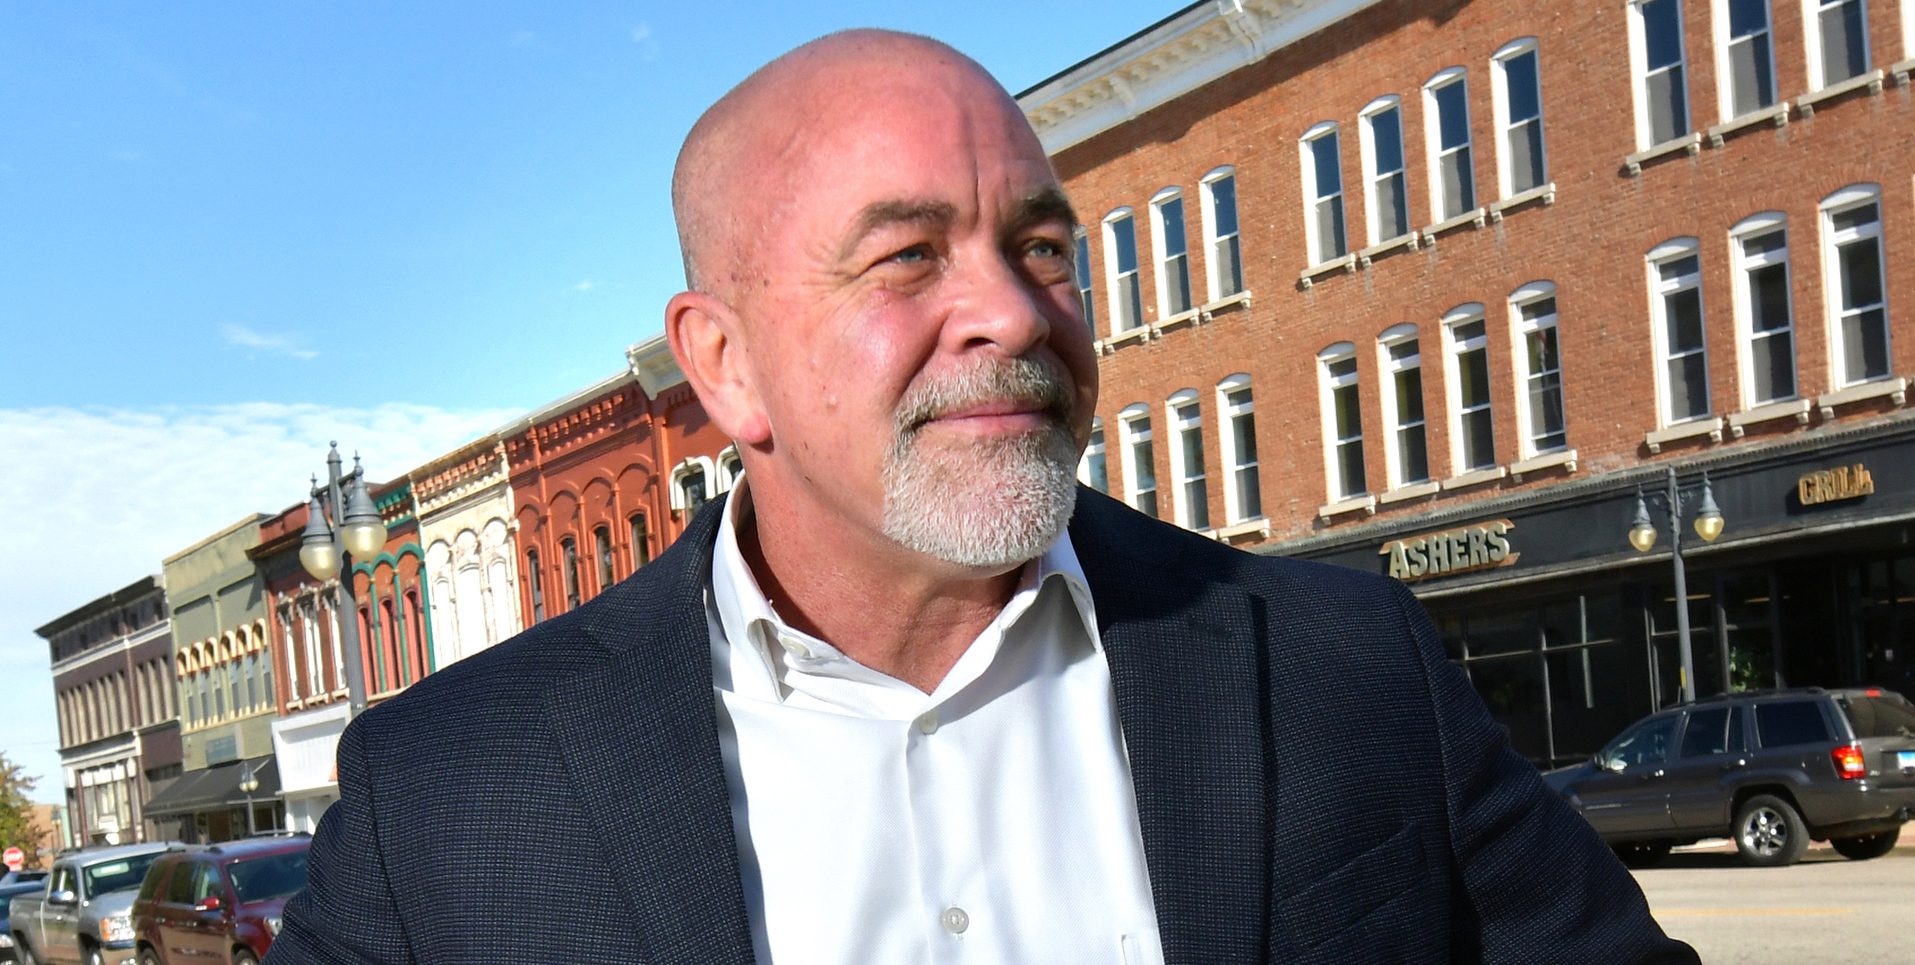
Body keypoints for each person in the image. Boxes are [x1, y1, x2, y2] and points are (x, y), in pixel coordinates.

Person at [270, 30, 1697, 964]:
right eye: (906, 258)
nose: (1010, 313)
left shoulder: (1341, 663)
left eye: (1042, 247)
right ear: (724, 366)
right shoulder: (449, 797)